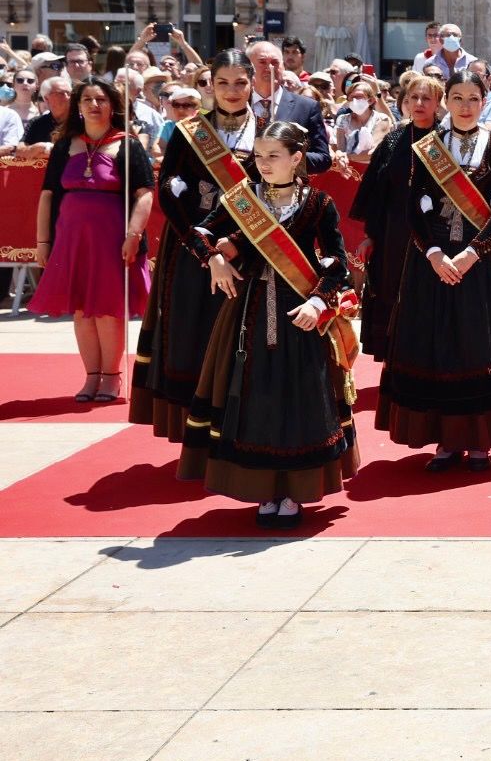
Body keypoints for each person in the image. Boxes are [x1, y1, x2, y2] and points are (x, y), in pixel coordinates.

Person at [180, 121, 359, 529]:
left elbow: (337, 262)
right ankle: (263, 487)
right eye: (258, 156)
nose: (262, 164)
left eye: (273, 156)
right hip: (249, 313)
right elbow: (197, 233)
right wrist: (215, 259)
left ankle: (295, 489)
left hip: (302, 315)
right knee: (254, 392)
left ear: (297, 158)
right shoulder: (242, 199)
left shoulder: (318, 203)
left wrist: (318, 300)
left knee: (299, 396)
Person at [376, 72, 491, 471]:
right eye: (457, 97)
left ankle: (481, 439)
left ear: (484, 100)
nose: (465, 105)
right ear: (446, 101)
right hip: (432, 262)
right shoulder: (428, 147)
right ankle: (445, 441)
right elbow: (415, 205)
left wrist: (472, 253)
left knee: (479, 343)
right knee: (438, 346)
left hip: (481, 262)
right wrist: (434, 253)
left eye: (473, 97)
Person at [130, 50, 257, 440]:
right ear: (209, 85)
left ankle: (242, 427)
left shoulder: (270, 130)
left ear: (252, 83)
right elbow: (169, 193)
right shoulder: (189, 132)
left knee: (244, 335)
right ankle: (196, 431)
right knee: (192, 331)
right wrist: (207, 253)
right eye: (223, 83)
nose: (232, 91)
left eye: (240, 82)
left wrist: (230, 246)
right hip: (190, 247)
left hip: (249, 248)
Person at [30, 76, 155, 402]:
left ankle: (112, 378)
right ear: (79, 106)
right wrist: (43, 243)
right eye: (87, 100)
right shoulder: (64, 145)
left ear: (112, 104)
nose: (94, 105)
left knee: (108, 311)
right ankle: (91, 377)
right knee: (83, 311)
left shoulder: (129, 144)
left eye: (100, 99)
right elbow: (47, 196)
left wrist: (133, 234)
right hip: (71, 241)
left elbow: (144, 195)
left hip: (113, 240)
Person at [349, 72, 441, 363]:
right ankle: (395, 358)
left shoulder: (447, 139)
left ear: (438, 102)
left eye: (426, 98)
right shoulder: (392, 141)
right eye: (413, 97)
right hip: (394, 233)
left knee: (430, 296)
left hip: (435, 234)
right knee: (392, 290)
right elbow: (377, 193)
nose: (419, 103)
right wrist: (370, 236)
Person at [246, 40, 332, 173]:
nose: (270, 68)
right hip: (244, 189)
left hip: (288, 190)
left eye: (275, 62)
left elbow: (323, 159)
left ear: (283, 66)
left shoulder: (306, 107)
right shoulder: (238, 103)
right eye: (262, 62)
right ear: (248, 67)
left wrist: (288, 158)